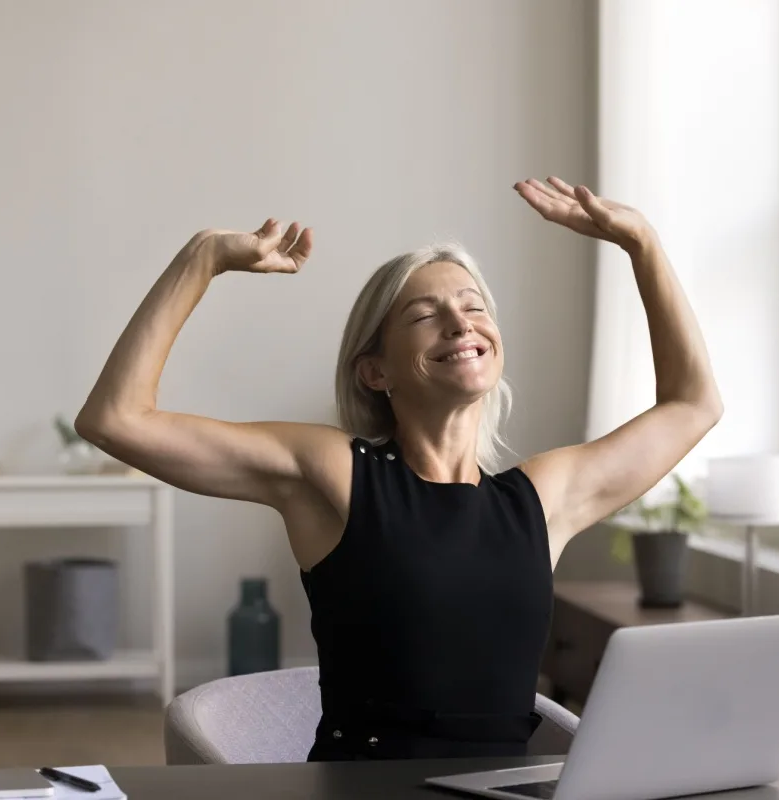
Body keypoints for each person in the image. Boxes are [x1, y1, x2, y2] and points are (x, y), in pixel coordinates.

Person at [75, 176, 722, 761]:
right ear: (375, 370)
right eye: (422, 314)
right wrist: (202, 258)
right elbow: (117, 419)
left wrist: (642, 244)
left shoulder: (542, 498)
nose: (458, 322)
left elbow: (694, 405)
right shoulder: (333, 474)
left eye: (473, 306)